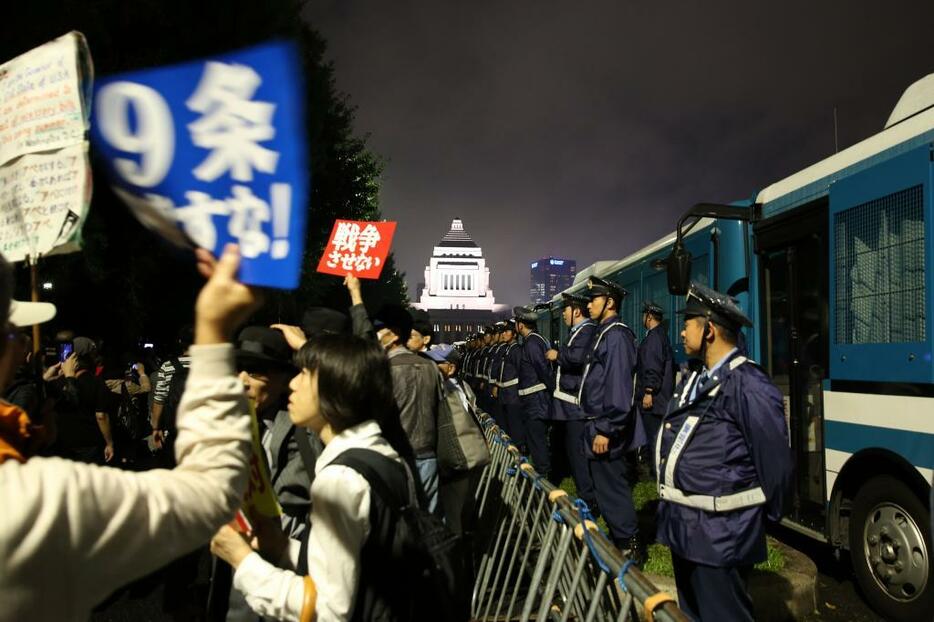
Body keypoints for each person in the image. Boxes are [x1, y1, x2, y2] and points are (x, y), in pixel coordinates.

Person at [0, 244, 258, 621]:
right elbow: (211, 493)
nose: (25, 344)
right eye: (14, 335)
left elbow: (150, 399)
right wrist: (215, 331)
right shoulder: (34, 499)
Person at [210, 333, 421, 622]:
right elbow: (349, 566)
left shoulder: (340, 479)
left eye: (305, 374)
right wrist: (281, 547)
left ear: (338, 386)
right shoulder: (382, 457)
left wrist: (241, 560)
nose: (293, 384)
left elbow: (327, 610)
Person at [656, 282, 792, 621]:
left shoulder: (749, 383)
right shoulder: (697, 377)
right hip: (688, 529)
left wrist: (763, 519)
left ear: (709, 330)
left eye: (688, 323)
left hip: (719, 536)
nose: (683, 330)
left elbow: (775, 462)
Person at [579, 276, 646, 561]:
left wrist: (606, 429)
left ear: (610, 302)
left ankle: (630, 545)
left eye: (594, 299)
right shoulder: (604, 332)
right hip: (597, 422)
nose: (589, 304)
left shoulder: (616, 335)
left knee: (613, 487)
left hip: (606, 425)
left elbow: (619, 388)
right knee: (604, 485)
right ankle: (620, 537)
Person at [545, 292, 597, 513]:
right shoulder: (577, 332)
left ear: (576, 311)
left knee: (578, 454)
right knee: (568, 451)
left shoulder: (586, 331)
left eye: (565, 310)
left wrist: (558, 355)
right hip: (565, 406)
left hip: (574, 406)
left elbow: (576, 359)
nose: (563, 314)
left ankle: (589, 500)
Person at [46, 336, 114, 464]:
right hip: (88, 443)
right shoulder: (96, 383)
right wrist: (109, 443)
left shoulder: (58, 381)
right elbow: (101, 415)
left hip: (61, 442)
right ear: (90, 357)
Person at [635, 301, 675, 477]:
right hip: (661, 399)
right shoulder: (661, 336)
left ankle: (654, 473)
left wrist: (649, 392)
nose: (643, 318)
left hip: (654, 399)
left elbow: (652, 366)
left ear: (649, 316)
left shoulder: (653, 338)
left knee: (652, 437)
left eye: (644, 315)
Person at [514, 306, 554, 479]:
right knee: (536, 441)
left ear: (520, 325)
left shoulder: (532, 343)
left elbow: (543, 370)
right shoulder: (535, 340)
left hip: (536, 403)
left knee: (537, 443)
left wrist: (552, 392)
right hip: (534, 401)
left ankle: (543, 481)